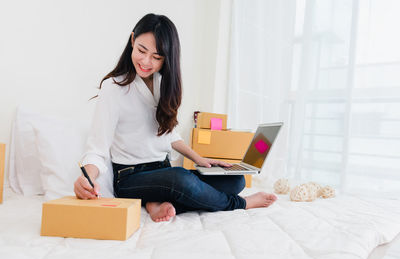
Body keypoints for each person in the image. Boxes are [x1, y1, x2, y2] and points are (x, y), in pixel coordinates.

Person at [74, 13, 277, 222]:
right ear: (132, 40)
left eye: (157, 57)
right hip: (130, 177)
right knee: (181, 179)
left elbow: (170, 133)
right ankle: (240, 204)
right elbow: (97, 148)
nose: (146, 61)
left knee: (235, 182)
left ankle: (153, 203)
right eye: (141, 50)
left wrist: (199, 159)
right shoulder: (114, 87)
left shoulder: (163, 84)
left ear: (167, 58)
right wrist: (86, 178)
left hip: (163, 171)